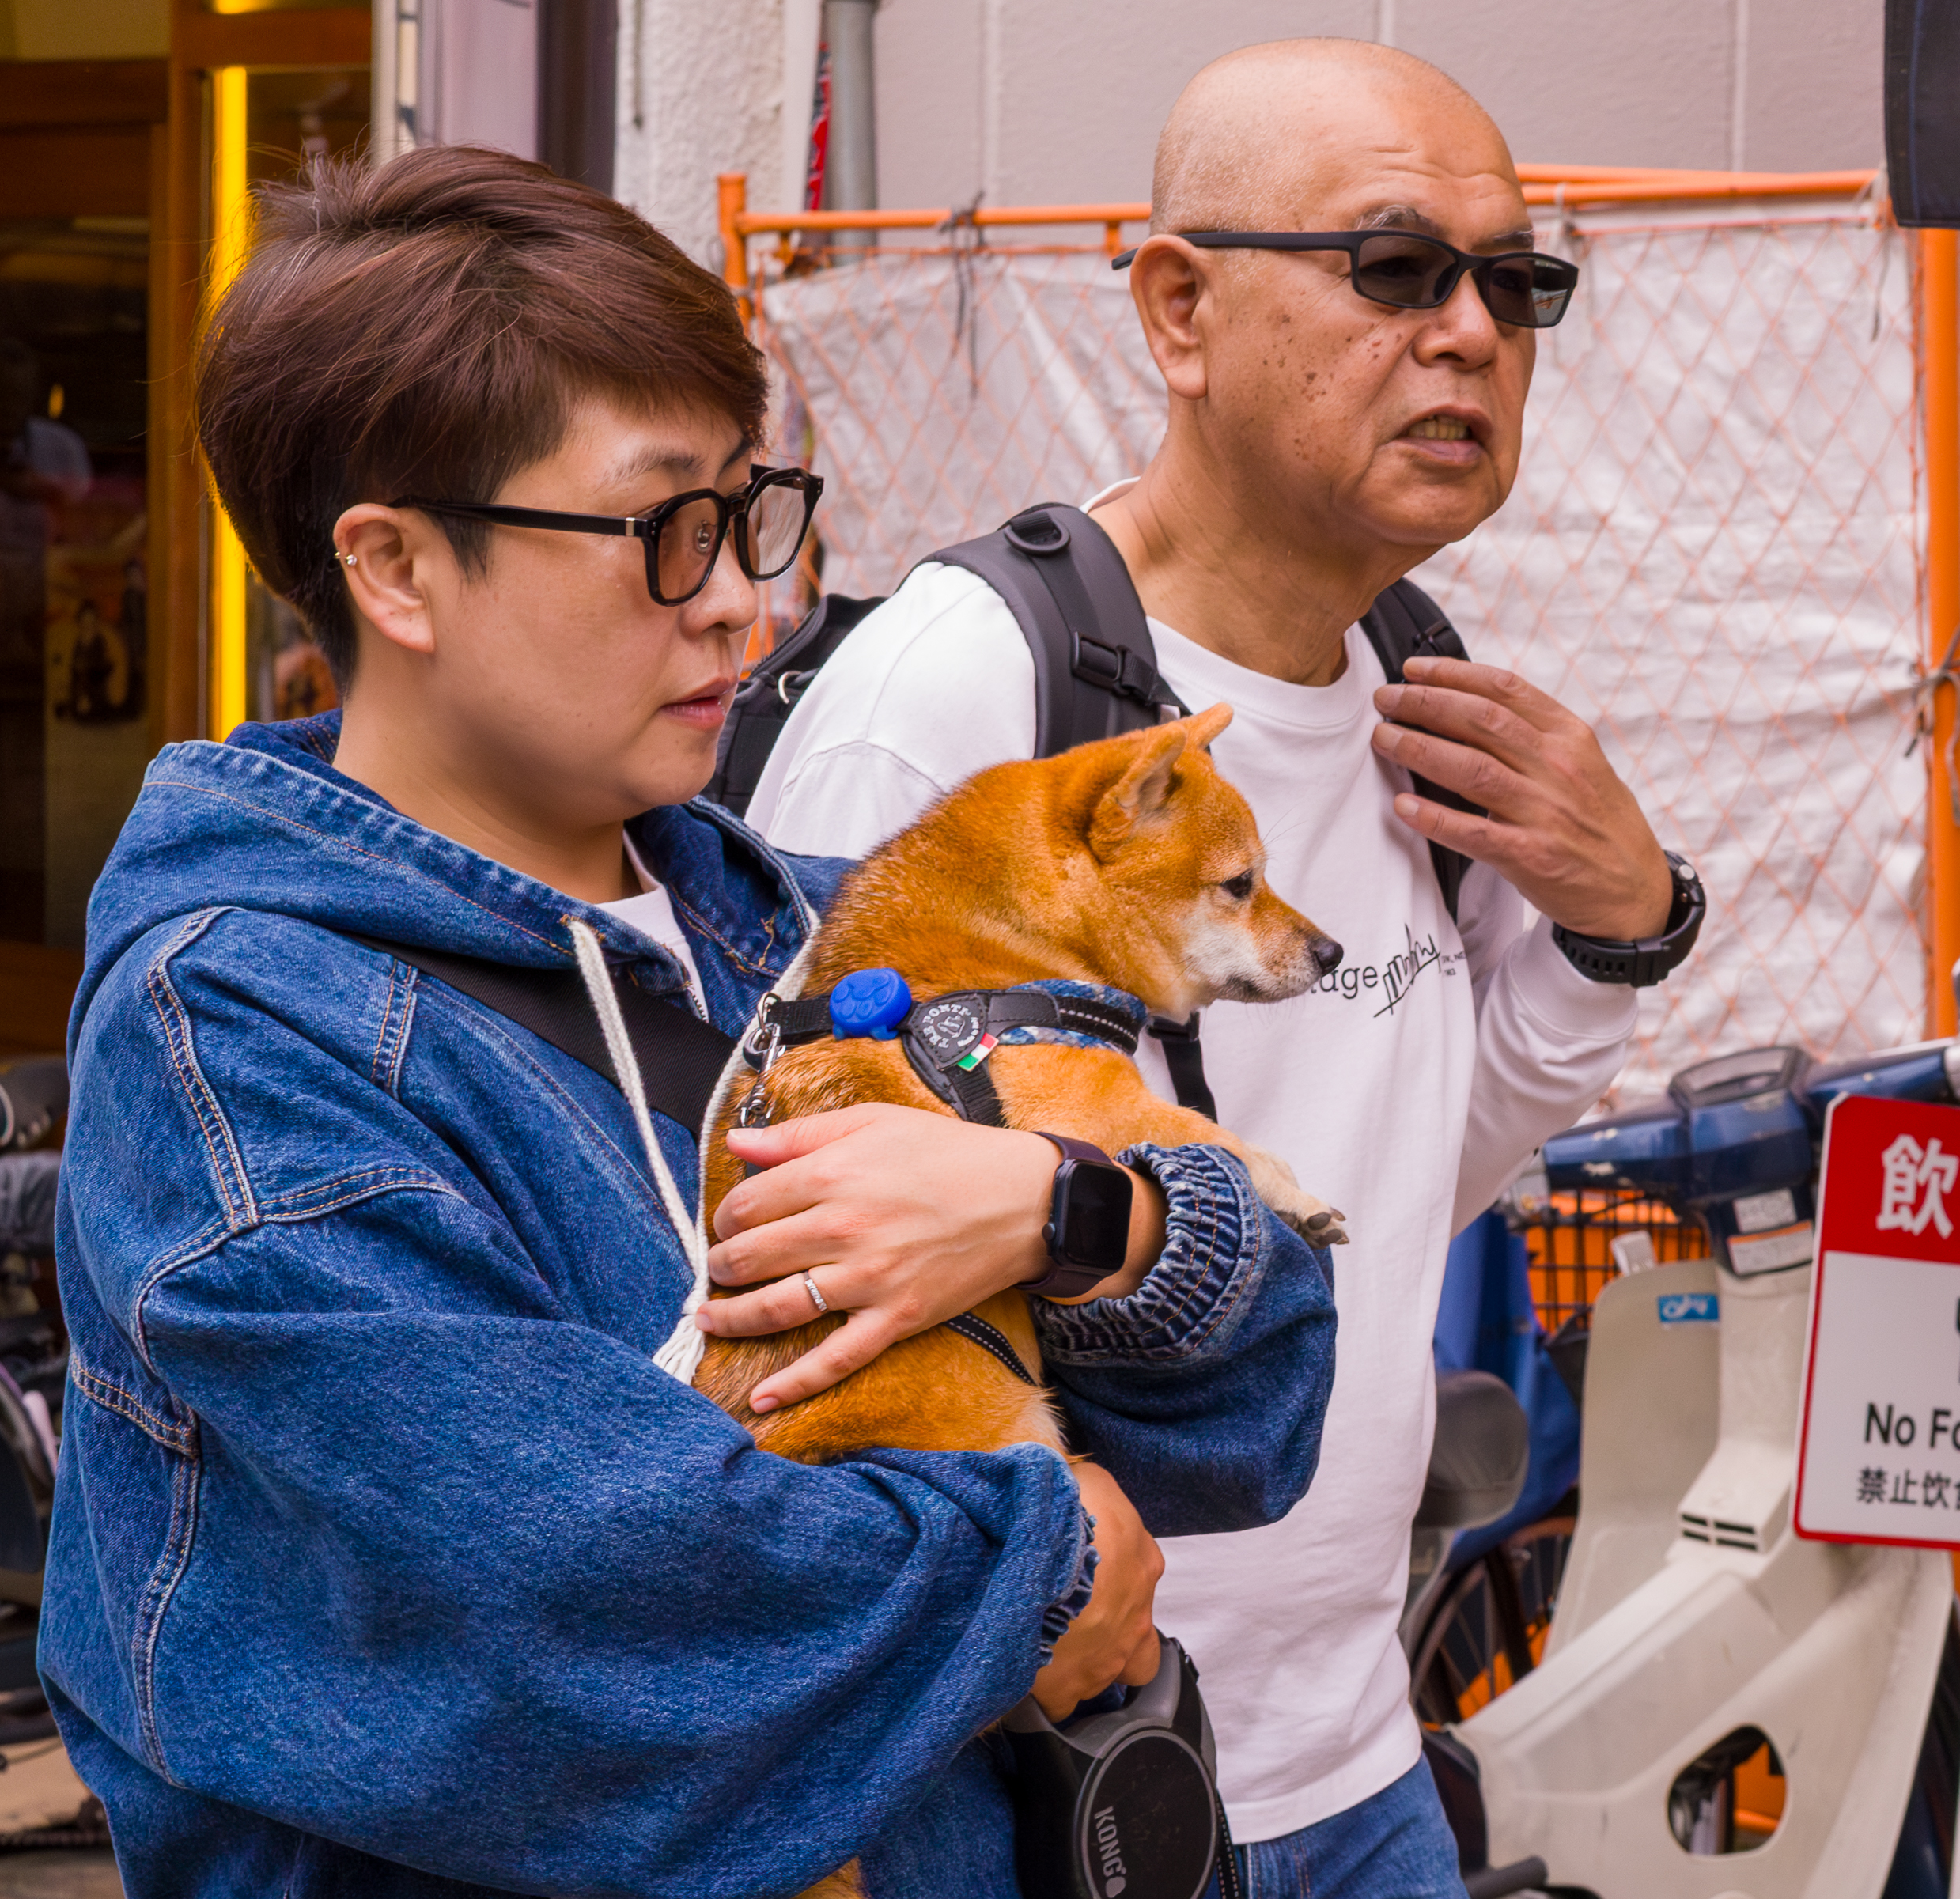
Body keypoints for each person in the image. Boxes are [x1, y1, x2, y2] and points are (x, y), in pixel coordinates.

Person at [44, 146, 1334, 1898]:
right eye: (664, 527)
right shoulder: (242, 1035)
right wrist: (1040, 1568)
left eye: (751, 509)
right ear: (396, 570)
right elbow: (589, 1592)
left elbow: (1258, 1397)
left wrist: (1072, 1217)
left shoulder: (820, 920)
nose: (747, 597)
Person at [740, 36, 1694, 1899]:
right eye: (1400, 269)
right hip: (1022, 1780)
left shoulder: (1418, 685)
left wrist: (1615, 923)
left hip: (1352, 1751)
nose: (1476, 334)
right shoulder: (964, 695)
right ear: (1178, 309)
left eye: (1521, 283)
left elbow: (1401, 1180)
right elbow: (752, 1232)